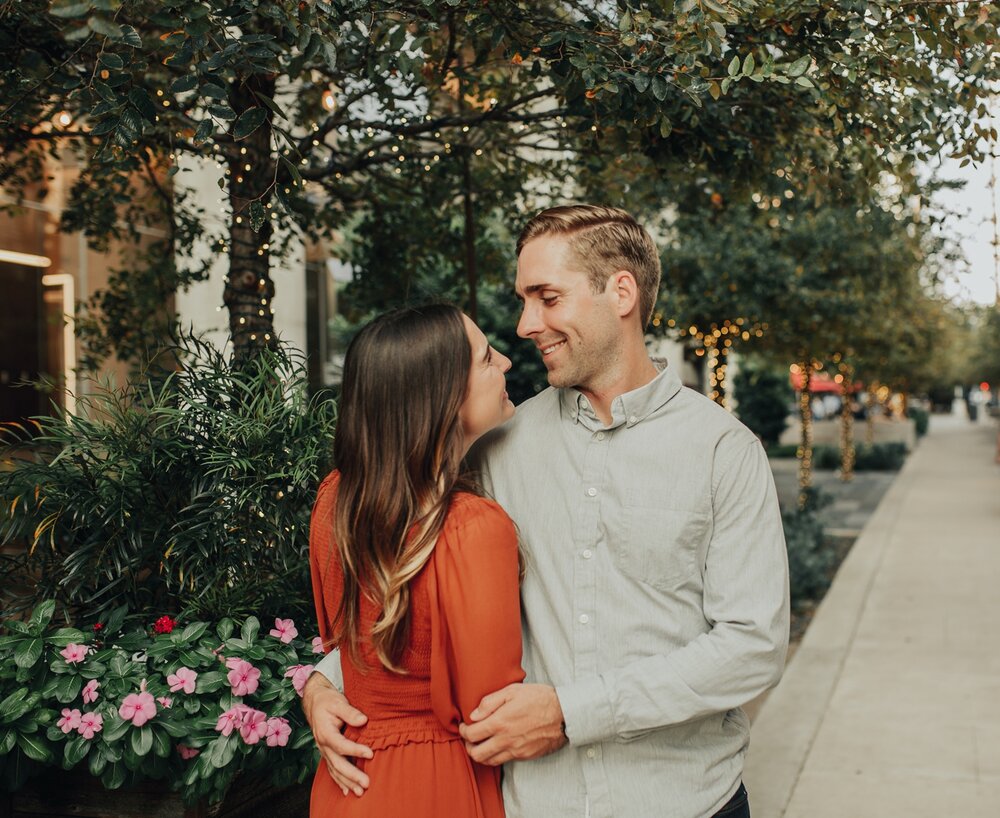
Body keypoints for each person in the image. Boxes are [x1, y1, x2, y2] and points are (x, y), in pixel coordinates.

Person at [305, 205, 790, 818]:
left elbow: (753, 647)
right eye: (523, 299)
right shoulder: (494, 443)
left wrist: (571, 712)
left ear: (621, 292)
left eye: (547, 297)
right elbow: (409, 579)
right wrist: (327, 683)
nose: (526, 323)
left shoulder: (724, 452)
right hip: (533, 804)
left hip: (686, 803)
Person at [307, 304, 525, 817]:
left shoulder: (334, 500)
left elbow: (342, 644)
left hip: (351, 781)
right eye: (486, 358)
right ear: (444, 396)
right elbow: (488, 708)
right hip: (437, 783)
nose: (507, 364)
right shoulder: (473, 526)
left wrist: (315, 687)